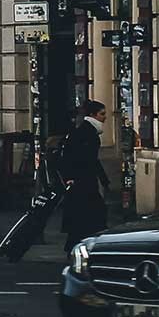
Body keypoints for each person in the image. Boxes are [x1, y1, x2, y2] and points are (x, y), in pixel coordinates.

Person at [54, 99, 111, 251]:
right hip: (82, 180)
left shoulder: (87, 131)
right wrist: (71, 177)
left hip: (82, 180)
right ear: (93, 115)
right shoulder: (87, 133)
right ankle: (83, 245)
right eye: (102, 114)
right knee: (92, 213)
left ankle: (78, 244)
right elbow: (78, 157)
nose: (104, 117)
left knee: (85, 215)